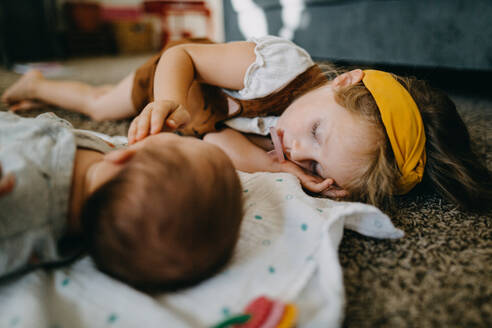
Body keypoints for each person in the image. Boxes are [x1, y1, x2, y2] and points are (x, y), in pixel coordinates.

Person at [2, 36, 491, 211]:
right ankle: (34, 86)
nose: (297, 149)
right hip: (182, 79)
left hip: (199, 123)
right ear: (345, 82)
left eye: (315, 162)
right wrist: (167, 101)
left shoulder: (288, 149)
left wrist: (274, 169)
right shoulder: (278, 67)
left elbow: (220, 141)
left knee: (121, 112)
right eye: (317, 133)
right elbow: (183, 55)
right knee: (103, 102)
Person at [0, 111, 243, 291]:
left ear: (124, 156)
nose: (181, 134)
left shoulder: (20, 208)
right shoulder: (102, 184)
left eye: (179, 138)